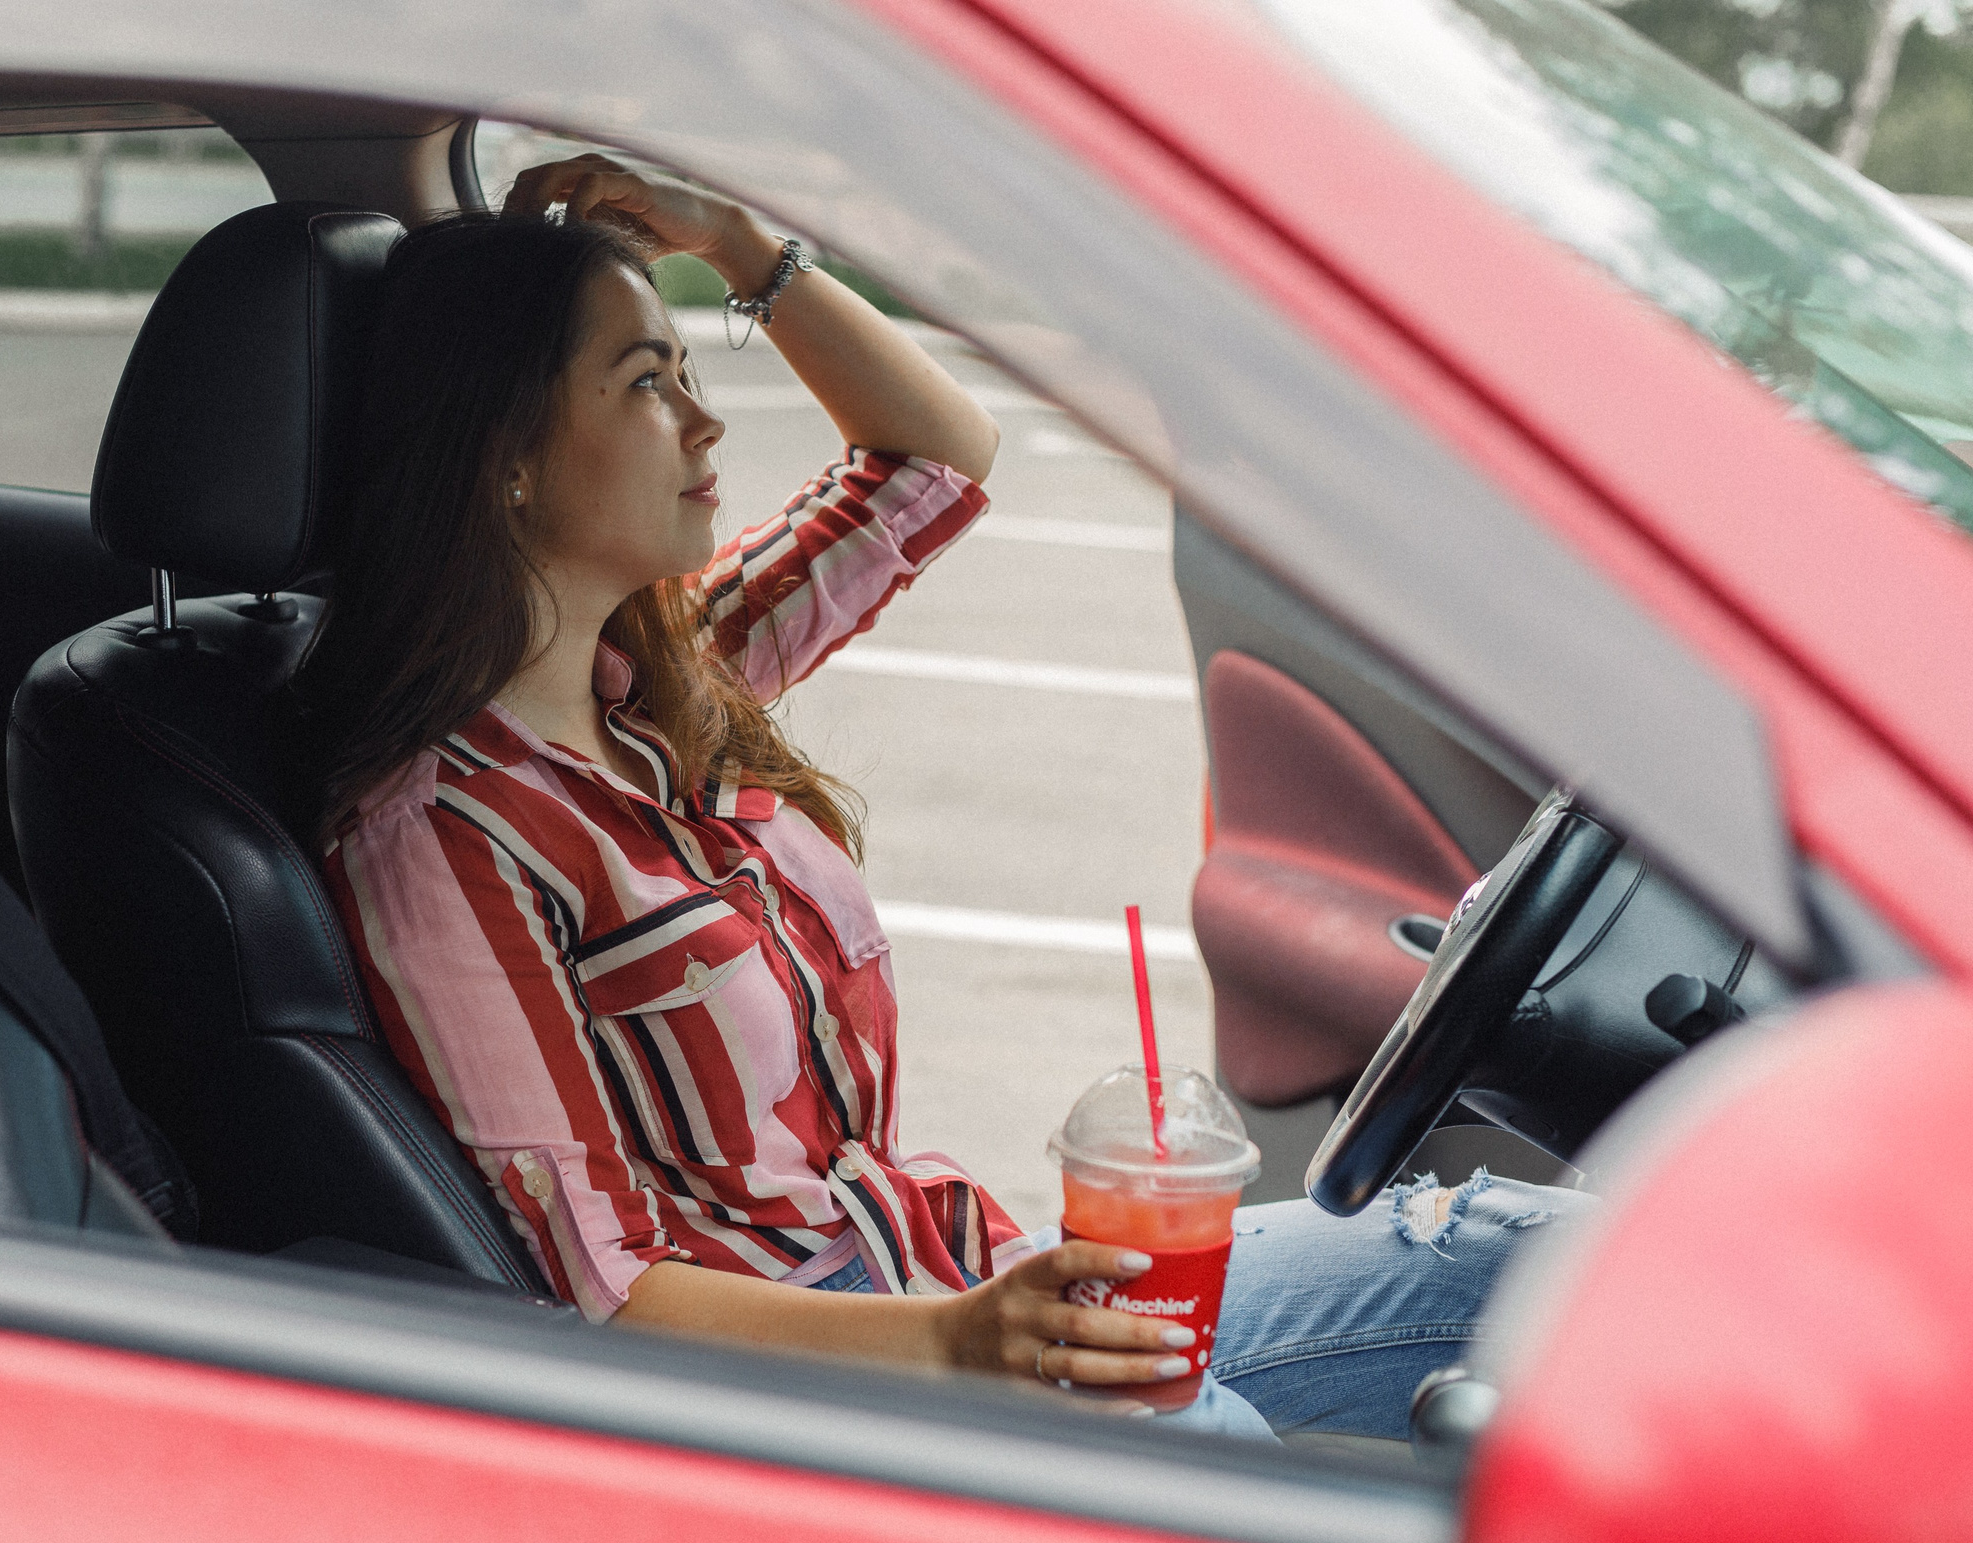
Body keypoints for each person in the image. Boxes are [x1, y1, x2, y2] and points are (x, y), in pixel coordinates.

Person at [301, 156, 1578, 1438]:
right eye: (646, 383)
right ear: (502, 458)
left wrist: (747, 246)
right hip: (837, 1379)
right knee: (1217, 1454)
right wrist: (960, 1347)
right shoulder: (441, 833)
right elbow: (607, 1290)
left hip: (952, 1269)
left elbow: (932, 462)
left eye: (690, 374)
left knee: (1534, 1249)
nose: (707, 424)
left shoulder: (677, 676)